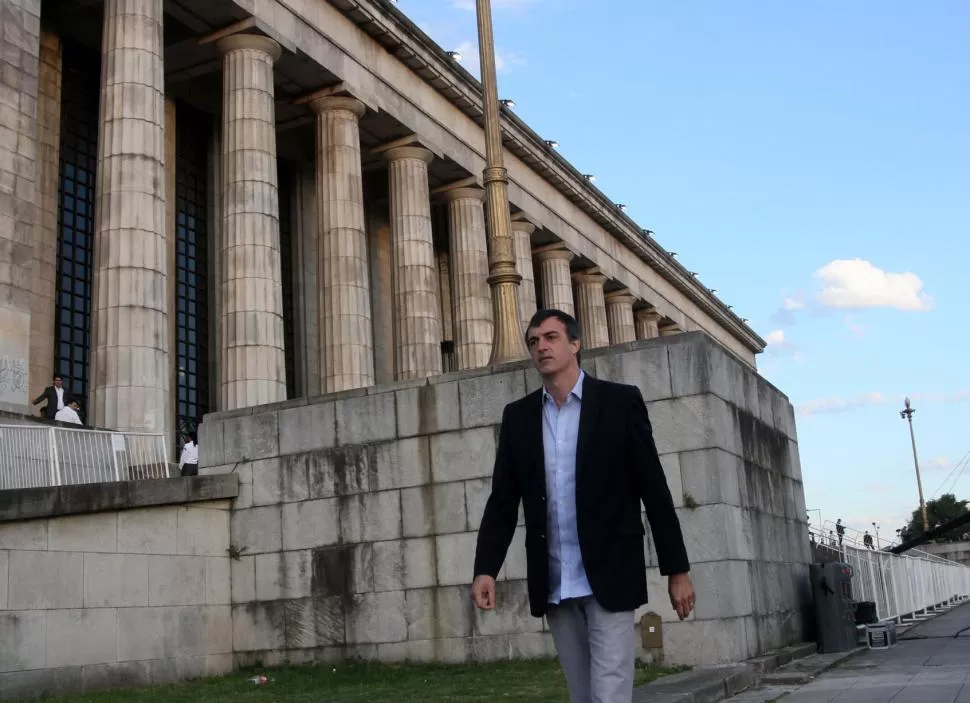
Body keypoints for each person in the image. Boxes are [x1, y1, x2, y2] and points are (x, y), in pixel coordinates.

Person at [471, 309, 694, 703]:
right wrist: (485, 569)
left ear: (575, 344)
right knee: (582, 693)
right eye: (534, 341)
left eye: (551, 337)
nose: (541, 347)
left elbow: (654, 490)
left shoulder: (619, 402)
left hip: (611, 572)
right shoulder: (519, 417)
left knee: (609, 691)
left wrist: (677, 570)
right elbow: (503, 500)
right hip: (555, 578)